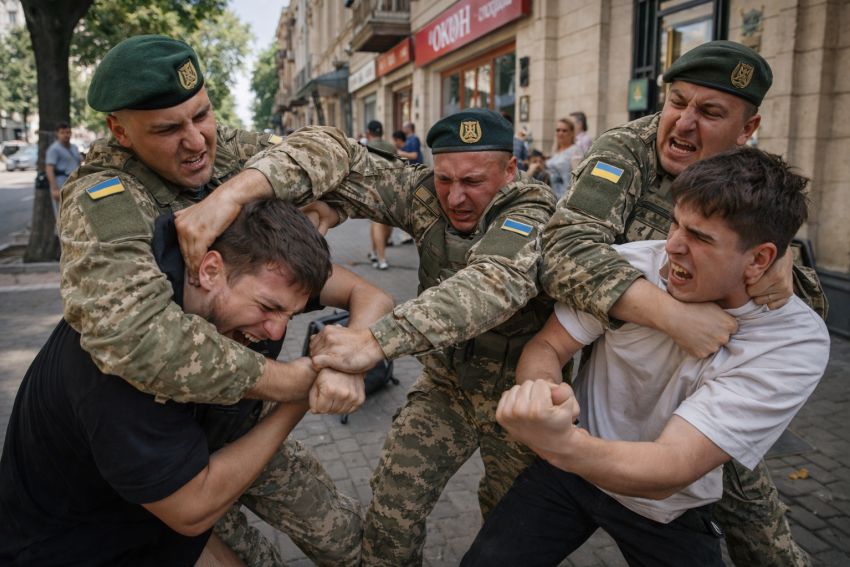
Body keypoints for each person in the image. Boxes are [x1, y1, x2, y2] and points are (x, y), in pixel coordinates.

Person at [175, 107, 557, 567]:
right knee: (393, 512)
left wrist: (371, 343)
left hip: (520, 398)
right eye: (444, 178)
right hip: (448, 388)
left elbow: (491, 283)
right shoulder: (423, 193)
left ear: (510, 169)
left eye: (473, 181)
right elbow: (345, 162)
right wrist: (321, 204)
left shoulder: (531, 211)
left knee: (510, 527)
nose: (455, 196)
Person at [55, 35, 376, 565]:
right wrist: (293, 383)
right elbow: (134, 335)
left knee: (346, 539)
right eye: (167, 129)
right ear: (120, 130)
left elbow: (333, 151)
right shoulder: (104, 197)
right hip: (164, 442)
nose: (196, 142)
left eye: (202, 114)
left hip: (236, 419)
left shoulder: (213, 145)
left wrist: (240, 192)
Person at [462, 148, 830, 567]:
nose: (672, 246)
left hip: (665, 506)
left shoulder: (791, 342)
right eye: (675, 222)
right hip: (568, 474)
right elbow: (548, 347)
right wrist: (544, 392)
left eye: (700, 237)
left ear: (761, 259)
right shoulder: (635, 265)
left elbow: (672, 466)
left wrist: (561, 444)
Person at [539, 40, 827, 567]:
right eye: (676, 102)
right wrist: (671, 314)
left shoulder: (752, 176)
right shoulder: (625, 149)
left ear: (747, 128)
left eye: (710, 112)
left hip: (703, 399)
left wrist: (773, 259)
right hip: (611, 373)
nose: (684, 123)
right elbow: (561, 253)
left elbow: (794, 307)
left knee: (764, 542)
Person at [1, 198, 395, 567]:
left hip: (178, 475)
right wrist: (301, 396)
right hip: (92, 541)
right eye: (268, 308)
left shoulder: (254, 264)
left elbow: (370, 294)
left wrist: (347, 356)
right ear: (209, 271)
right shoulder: (119, 366)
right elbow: (192, 510)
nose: (277, 332)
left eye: (290, 315)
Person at [365, 120, 397, 270]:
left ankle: (382, 258)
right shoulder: (391, 147)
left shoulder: (364, 148)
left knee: (376, 223)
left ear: (368, 133)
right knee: (388, 222)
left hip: (373, 189)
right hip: (392, 188)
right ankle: (373, 251)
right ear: (382, 132)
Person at [46, 120, 83, 234]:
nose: (65, 135)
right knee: (63, 215)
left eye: (67, 132)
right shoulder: (54, 149)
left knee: (75, 213)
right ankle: (63, 241)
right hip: (61, 184)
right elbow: (49, 168)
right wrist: (55, 189)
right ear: (57, 134)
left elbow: (79, 161)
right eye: (62, 132)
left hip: (75, 184)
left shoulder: (74, 147)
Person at [545, 117, 585, 198]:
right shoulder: (556, 150)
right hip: (551, 196)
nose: (560, 133)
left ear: (572, 133)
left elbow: (579, 178)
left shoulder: (575, 150)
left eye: (564, 130)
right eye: (558, 130)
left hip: (565, 198)